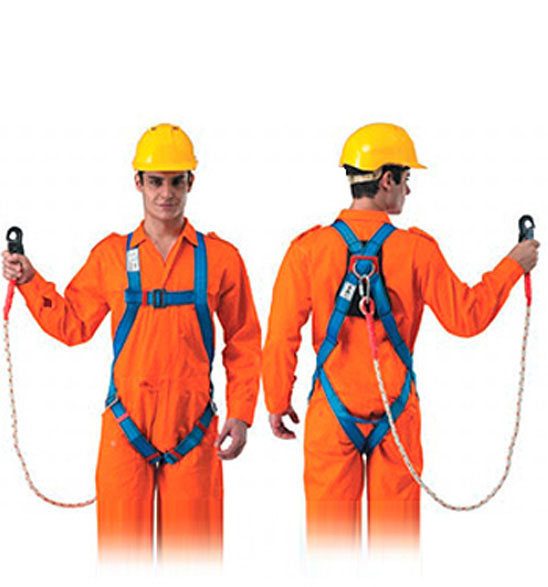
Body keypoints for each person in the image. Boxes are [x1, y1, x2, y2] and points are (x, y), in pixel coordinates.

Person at [262, 123, 539, 553]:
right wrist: (513, 265)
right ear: (387, 179)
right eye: (406, 178)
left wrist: (277, 400)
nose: (408, 190)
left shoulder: (308, 250)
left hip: (331, 415)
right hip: (395, 415)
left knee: (330, 553)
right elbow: (467, 317)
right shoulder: (416, 251)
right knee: (396, 555)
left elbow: (281, 335)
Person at [2, 123, 262, 563]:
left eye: (176, 181)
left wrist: (241, 413)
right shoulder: (111, 258)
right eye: (156, 181)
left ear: (190, 182)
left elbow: (244, 340)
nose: (166, 194)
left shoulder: (221, 259)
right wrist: (30, 281)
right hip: (126, 430)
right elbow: (72, 325)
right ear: (138, 182)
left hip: (194, 429)